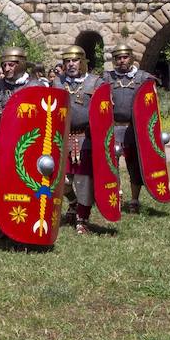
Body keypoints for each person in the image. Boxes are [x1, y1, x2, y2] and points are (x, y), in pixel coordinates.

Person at [53, 45, 104, 234]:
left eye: (74, 60)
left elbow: (104, 110)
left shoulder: (95, 82)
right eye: (67, 61)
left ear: (82, 62)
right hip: (62, 137)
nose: (70, 64)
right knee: (62, 180)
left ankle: (82, 220)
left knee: (84, 181)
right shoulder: (57, 82)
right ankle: (73, 202)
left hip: (85, 138)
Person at [104, 44, 158, 208]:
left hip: (135, 129)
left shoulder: (144, 78)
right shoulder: (106, 78)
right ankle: (115, 196)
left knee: (134, 165)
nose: (121, 61)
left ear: (131, 58)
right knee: (111, 164)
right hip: (113, 127)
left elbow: (152, 103)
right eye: (118, 58)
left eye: (125, 57)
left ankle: (134, 199)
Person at [0, 46, 41, 183]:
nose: (6, 68)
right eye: (4, 65)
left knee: (26, 181)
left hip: (29, 141)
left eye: (11, 65)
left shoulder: (36, 86)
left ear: (21, 65)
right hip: (3, 139)